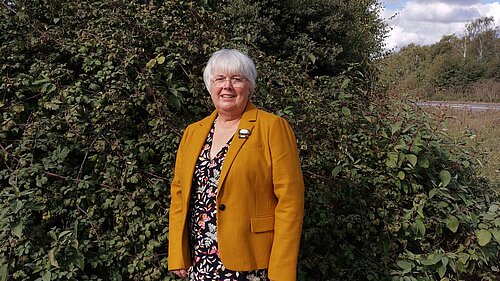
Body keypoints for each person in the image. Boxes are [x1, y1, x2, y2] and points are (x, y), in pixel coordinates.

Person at [168, 49, 304, 281]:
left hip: (252, 264)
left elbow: (290, 202)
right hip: (201, 260)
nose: (227, 86)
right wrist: (177, 254)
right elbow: (179, 194)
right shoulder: (193, 132)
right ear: (210, 86)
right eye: (219, 79)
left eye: (236, 79)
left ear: (249, 86)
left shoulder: (272, 127)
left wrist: (282, 271)